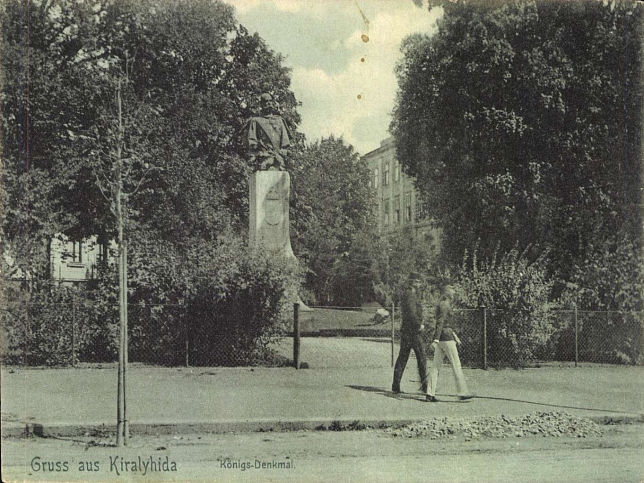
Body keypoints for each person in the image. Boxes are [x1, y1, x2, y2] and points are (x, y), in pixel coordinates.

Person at [427, 284, 473, 402]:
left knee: (435, 367)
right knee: (456, 365)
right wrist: (435, 340)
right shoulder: (445, 305)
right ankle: (462, 392)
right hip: (446, 339)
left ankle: (429, 393)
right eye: (452, 291)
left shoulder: (442, 304)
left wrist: (453, 336)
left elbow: (444, 324)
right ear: (447, 293)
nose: (454, 293)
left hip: (443, 338)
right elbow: (441, 323)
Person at [392, 273, 429, 398]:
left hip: (406, 331)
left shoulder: (407, 294)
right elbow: (412, 314)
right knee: (422, 358)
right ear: (412, 282)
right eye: (417, 282)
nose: (419, 284)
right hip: (413, 332)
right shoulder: (410, 295)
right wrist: (419, 325)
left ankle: (395, 386)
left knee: (402, 358)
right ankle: (425, 388)